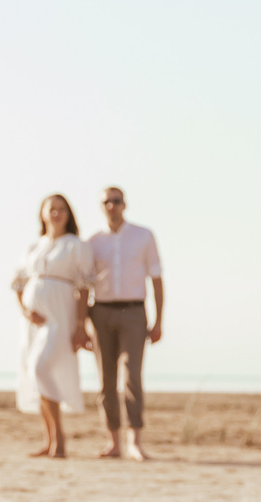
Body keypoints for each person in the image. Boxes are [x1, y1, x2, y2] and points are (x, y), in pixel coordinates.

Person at [10, 194, 96, 460]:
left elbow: (84, 287)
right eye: (52, 209)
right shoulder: (35, 246)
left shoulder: (75, 246)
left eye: (61, 209)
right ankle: (49, 441)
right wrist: (25, 311)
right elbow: (18, 283)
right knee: (36, 373)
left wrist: (81, 325)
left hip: (61, 317)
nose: (56, 213)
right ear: (43, 214)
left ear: (69, 214)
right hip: (34, 322)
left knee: (42, 368)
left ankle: (60, 439)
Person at [85, 185, 163, 460]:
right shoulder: (93, 242)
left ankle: (135, 441)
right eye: (106, 201)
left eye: (116, 201)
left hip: (134, 312)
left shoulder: (143, 236)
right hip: (101, 312)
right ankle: (113, 441)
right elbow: (84, 284)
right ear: (101, 206)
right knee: (105, 379)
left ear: (124, 204)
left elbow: (156, 279)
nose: (111, 206)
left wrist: (158, 322)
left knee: (132, 375)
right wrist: (81, 323)